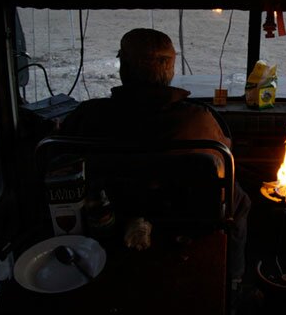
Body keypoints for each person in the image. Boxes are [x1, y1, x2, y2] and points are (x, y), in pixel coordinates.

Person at [59, 28, 250, 283]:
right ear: (169, 71)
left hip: (106, 219)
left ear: (123, 68)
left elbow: (61, 159)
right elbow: (224, 161)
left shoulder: (87, 116)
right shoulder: (200, 120)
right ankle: (234, 280)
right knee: (239, 199)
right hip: (184, 221)